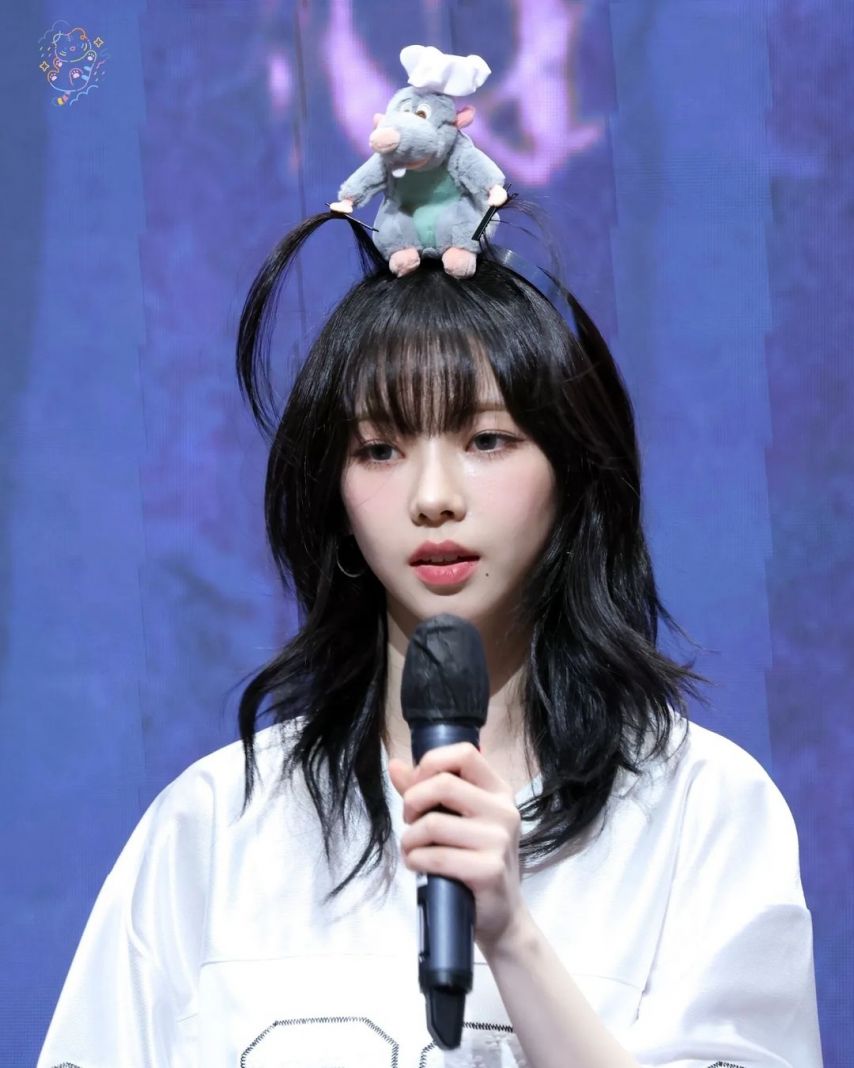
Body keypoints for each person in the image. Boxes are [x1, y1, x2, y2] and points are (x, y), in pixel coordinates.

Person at [38, 210, 822, 1068]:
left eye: (487, 440)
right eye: (380, 449)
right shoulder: (218, 826)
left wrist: (512, 937)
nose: (433, 496)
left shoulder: (698, 812)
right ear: (334, 492)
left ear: (571, 474)